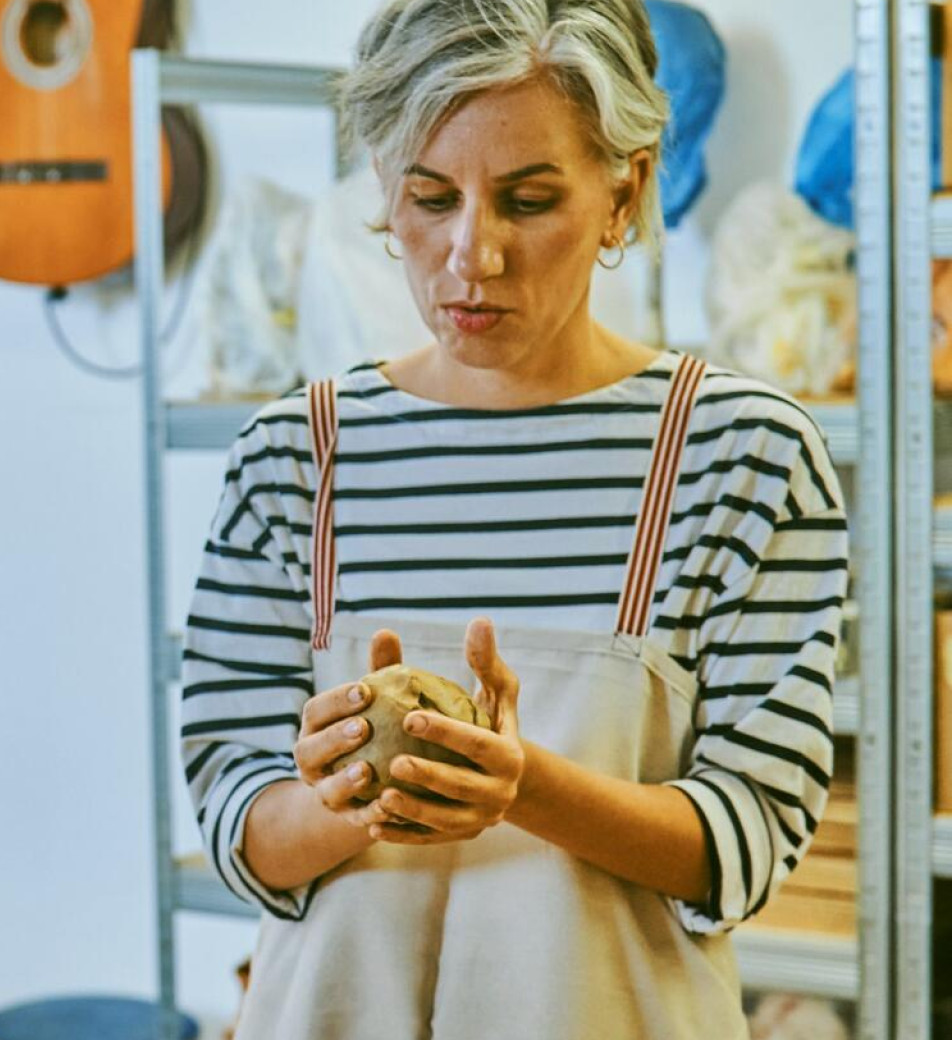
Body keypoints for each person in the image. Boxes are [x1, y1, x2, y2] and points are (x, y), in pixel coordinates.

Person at [180, 2, 845, 1037]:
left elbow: (748, 841)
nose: (470, 256)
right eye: (429, 196)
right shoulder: (293, 458)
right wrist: (342, 795)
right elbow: (235, 820)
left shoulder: (743, 456)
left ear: (624, 190)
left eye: (529, 200)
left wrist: (526, 786)